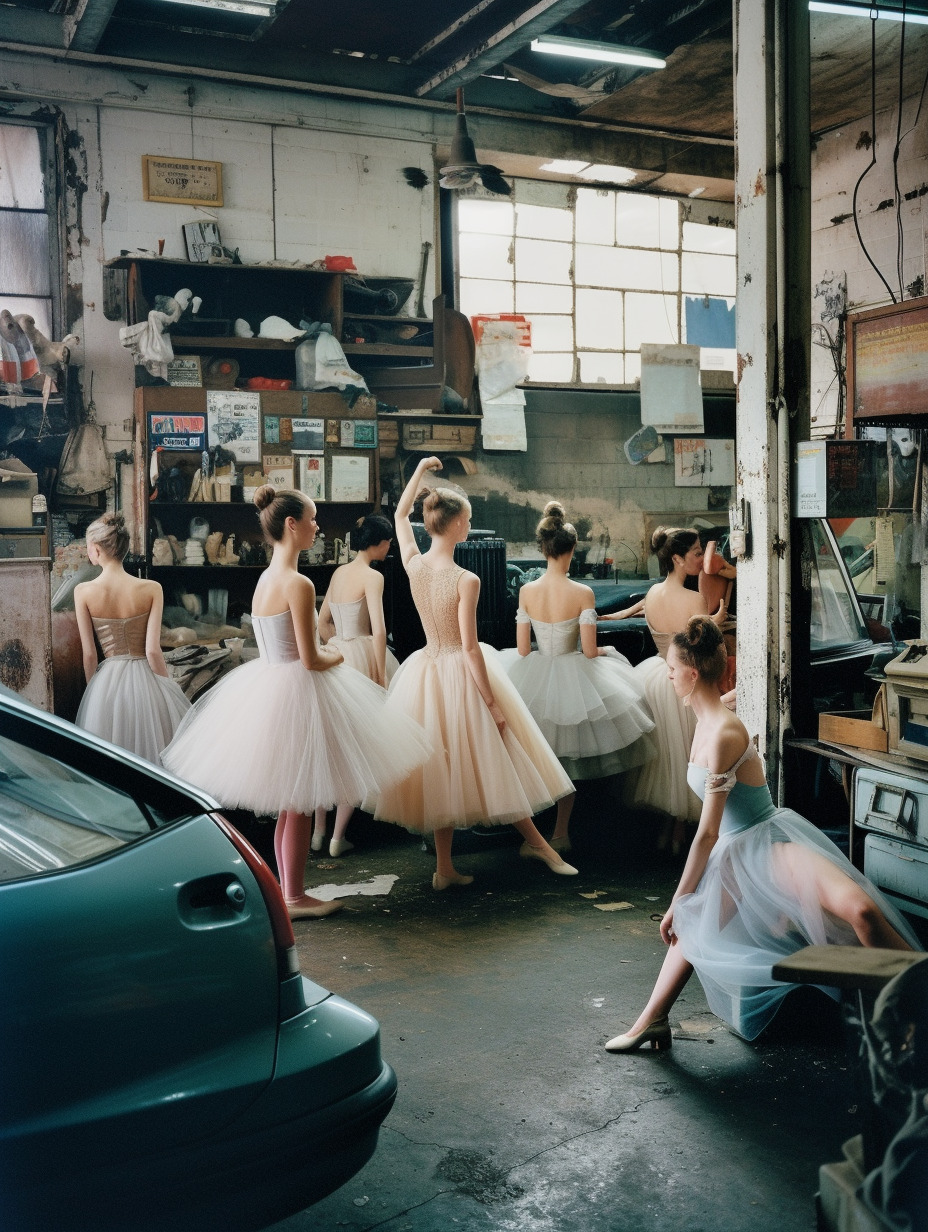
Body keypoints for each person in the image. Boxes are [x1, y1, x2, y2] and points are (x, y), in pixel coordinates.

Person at [605, 616, 920, 1053]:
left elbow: (707, 835)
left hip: (766, 841)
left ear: (693, 675)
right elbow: (726, 698)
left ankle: (916, 1001)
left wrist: (676, 901)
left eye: (672, 667)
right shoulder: (708, 714)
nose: (668, 674)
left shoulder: (722, 735)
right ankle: (651, 1021)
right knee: (692, 931)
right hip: (736, 852)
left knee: (861, 913)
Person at [162, 487, 431, 920]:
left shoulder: (266, 579)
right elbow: (311, 657)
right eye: (312, 518)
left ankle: (289, 890)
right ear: (292, 525)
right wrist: (340, 654)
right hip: (297, 689)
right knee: (300, 800)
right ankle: (295, 896)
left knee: (290, 800)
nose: (317, 526)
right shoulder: (299, 583)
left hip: (269, 684)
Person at [371, 457, 578, 890]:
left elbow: (398, 514)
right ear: (457, 525)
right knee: (495, 761)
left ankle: (446, 867)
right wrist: (492, 705)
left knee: (447, 768)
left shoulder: (412, 563)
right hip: (459, 675)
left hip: (425, 672)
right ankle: (537, 846)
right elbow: (468, 647)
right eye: (468, 518)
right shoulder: (466, 579)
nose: (470, 524)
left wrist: (421, 471)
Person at [499, 501, 655, 851]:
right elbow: (587, 650)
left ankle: (532, 834)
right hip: (573, 674)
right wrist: (604, 652)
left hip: (535, 675)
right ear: (570, 550)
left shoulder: (527, 591)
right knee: (569, 759)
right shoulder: (582, 593)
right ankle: (560, 833)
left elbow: (523, 650)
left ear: (543, 549)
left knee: (536, 755)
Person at [623, 527, 727, 855]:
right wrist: (718, 617)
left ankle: (668, 830)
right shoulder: (695, 598)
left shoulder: (652, 594)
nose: (700, 559)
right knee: (687, 756)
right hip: (683, 681)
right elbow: (701, 641)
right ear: (678, 559)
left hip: (654, 676)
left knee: (666, 758)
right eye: (696, 553)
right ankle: (679, 831)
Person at [313, 513, 399, 858]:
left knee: (330, 748)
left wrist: (336, 646)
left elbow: (322, 622)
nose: (390, 547)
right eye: (388, 541)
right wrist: (379, 672)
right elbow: (379, 631)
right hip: (363, 656)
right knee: (357, 750)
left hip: (335, 656)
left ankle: (318, 834)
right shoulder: (372, 576)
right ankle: (337, 838)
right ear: (378, 543)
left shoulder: (339, 572)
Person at [74, 511, 190, 763]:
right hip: (145, 680)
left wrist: (92, 691)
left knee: (110, 763)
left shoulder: (83, 591)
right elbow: (152, 651)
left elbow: (90, 653)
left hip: (106, 682)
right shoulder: (151, 588)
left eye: (87, 548)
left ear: (95, 550)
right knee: (153, 757)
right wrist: (167, 689)